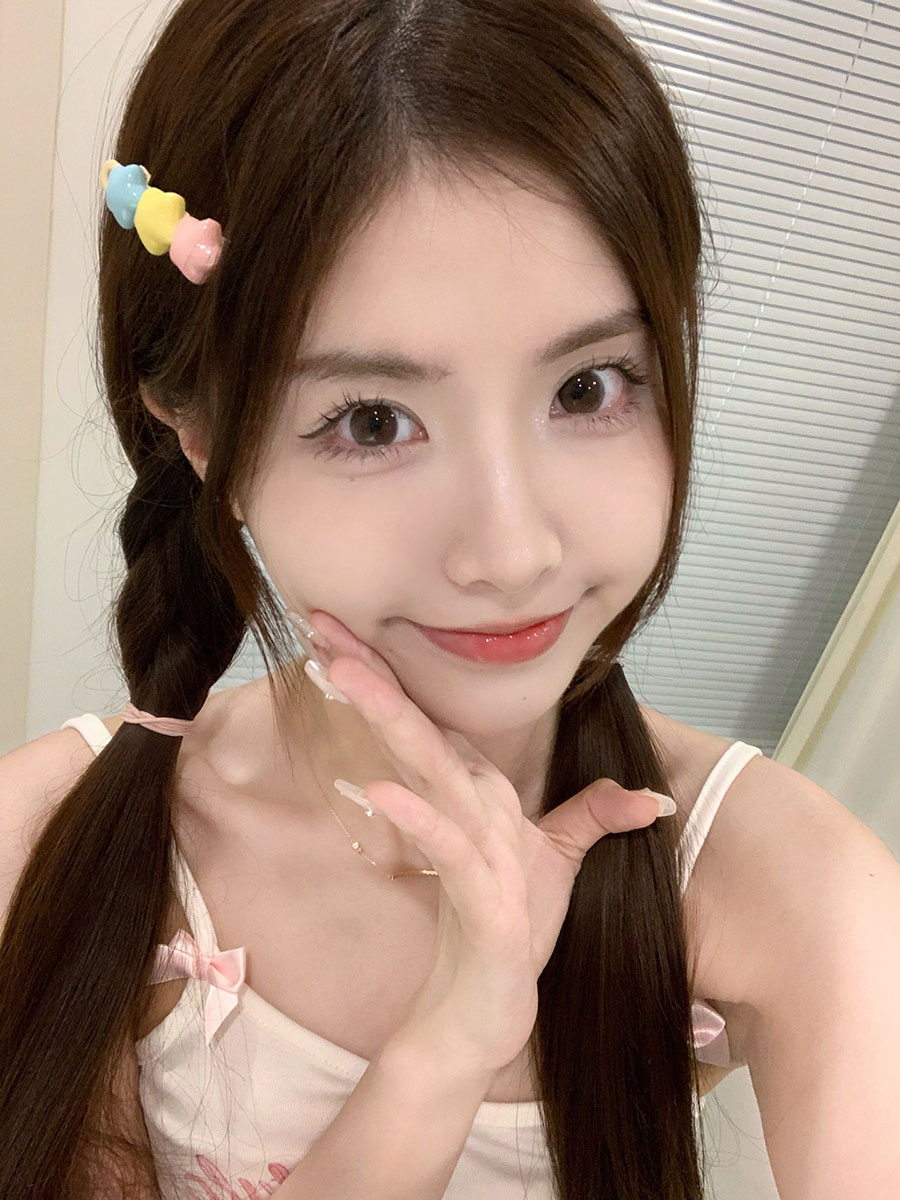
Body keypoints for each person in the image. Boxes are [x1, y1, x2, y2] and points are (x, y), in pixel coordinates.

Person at [6, 1, 896, 1198]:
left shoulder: (791, 894)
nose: (514, 552)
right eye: (373, 421)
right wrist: (442, 1056)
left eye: (588, 388)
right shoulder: (57, 843)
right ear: (202, 436)